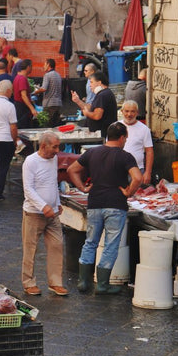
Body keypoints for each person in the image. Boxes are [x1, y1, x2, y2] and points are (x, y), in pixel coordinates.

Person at [67, 121, 143, 294]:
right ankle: (102, 284)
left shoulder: (92, 152)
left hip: (95, 203)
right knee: (110, 245)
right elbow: (137, 178)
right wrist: (129, 192)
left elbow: (72, 170)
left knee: (90, 242)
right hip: (116, 205)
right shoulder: (125, 156)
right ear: (122, 137)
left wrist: (82, 188)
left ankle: (83, 282)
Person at [20, 131, 67, 297]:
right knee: (30, 248)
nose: (57, 150)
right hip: (34, 213)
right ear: (43, 146)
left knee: (57, 246)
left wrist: (57, 203)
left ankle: (55, 282)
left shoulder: (53, 159)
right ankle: (29, 282)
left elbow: (52, 182)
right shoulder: (31, 161)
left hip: (53, 212)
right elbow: (28, 189)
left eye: (57, 146)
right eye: (54, 146)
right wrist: (43, 205)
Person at [69, 68, 116, 138]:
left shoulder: (103, 95)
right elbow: (91, 109)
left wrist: (86, 113)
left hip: (102, 135)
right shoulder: (102, 94)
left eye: (91, 82)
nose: (90, 85)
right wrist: (77, 101)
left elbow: (97, 116)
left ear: (99, 82)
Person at [119, 99, 154, 185]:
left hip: (137, 170)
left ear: (137, 112)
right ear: (122, 111)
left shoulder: (144, 129)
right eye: (126, 111)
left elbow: (149, 151)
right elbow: (109, 148)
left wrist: (148, 173)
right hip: (118, 170)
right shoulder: (115, 127)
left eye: (132, 111)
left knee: (138, 196)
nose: (129, 114)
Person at [11, 59, 37, 128]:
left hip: (18, 105)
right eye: (31, 67)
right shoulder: (22, 79)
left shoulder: (17, 77)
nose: (32, 69)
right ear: (28, 67)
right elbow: (23, 95)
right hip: (22, 108)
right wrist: (32, 108)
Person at [39, 59, 63, 125]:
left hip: (49, 104)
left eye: (44, 64)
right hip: (58, 103)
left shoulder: (47, 75)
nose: (43, 66)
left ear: (48, 65)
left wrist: (34, 92)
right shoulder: (58, 75)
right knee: (55, 124)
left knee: (47, 125)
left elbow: (44, 88)